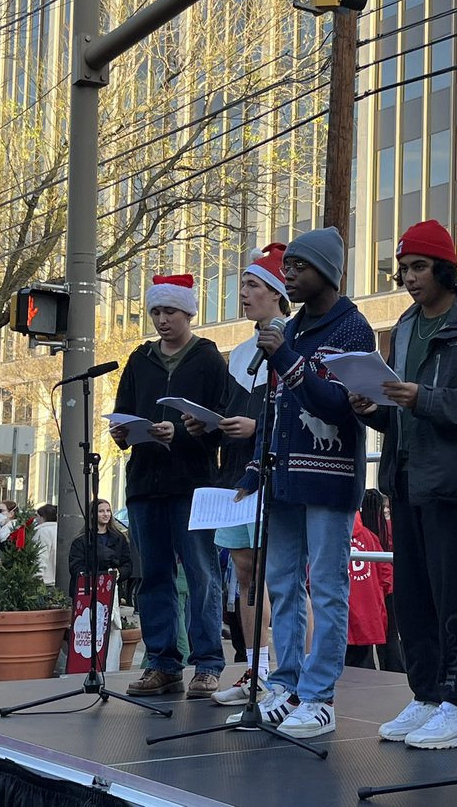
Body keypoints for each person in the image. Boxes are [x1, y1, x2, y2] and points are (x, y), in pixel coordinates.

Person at [351, 219, 457, 750]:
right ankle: (425, 695)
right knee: (414, 595)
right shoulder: (405, 325)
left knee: (452, 593)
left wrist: (424, 399)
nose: (410, 278)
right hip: (406, 477)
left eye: (419, 267)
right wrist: (373, 408)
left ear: (445, 267)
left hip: (455, 480)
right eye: (403, 269)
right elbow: (400, 409)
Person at [230, 226, 375, 738]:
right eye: (286, 266)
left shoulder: (353, 329)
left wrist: (287, 360)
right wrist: (255, 468)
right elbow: (275, 408)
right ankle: (284, 685)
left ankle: (320, 697)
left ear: (327, 273)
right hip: (284, 479)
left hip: (330, 481)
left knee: (327, 588)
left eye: (298, 267)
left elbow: (338, 406)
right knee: (282, 584)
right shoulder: (289, 330)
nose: (288, 274)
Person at [111, 273, 229, 699]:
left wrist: (180, 432)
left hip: (192, 484)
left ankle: (207, 664)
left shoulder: (209, 359)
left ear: (188, 313)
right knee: (154, 576)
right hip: (145, 483)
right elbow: (123, 412)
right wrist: (122, 433)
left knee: (201, 574)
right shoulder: (139, 360)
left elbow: (222, 424)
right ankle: (162, 663)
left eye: (170, 312)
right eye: (156, 312)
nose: (162, 320)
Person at [184, 244, 289, 706]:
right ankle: (255, 671)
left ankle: (294, 678)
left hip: (274, 476)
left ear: (277, 292)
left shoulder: (294, 342)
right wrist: (208, 425)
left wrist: (256, 427)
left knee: (280, 577)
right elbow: (231, 410)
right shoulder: (242, 352)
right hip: (236, 478)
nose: (242, 293)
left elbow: (297, 412)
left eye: (252, 285)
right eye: (242, 284)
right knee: (245, 572)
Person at [359, 490, 404, 673]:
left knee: (365, 636)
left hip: (368, 589)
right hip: (390, 585)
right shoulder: (389, 528)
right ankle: (394, 671)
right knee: (391, 637)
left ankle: (367, 668)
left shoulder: (362, 534)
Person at [345, 498, 392, 670]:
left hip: (341, 613)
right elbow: (386, 575)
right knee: (365, 668)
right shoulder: (370, 536)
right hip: (368, 612)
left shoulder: (330, 537)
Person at [67, 499, 132, 598]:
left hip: (111, 591)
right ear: (92, 514)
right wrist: (98, 576)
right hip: (87, 592)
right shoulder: (81, 541)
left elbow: (127, 564)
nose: (106, 514)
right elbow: (76, 568)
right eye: (101, 511)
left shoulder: (120, 538)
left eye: (108, 511)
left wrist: (118, 573)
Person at [34, 503, 58, 586]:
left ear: (42, 517)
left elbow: (40, 556)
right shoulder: (61, 530)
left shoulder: (42, 532)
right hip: (57, 580)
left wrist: (36, 578)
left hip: (45, 581)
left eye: (37, 516)